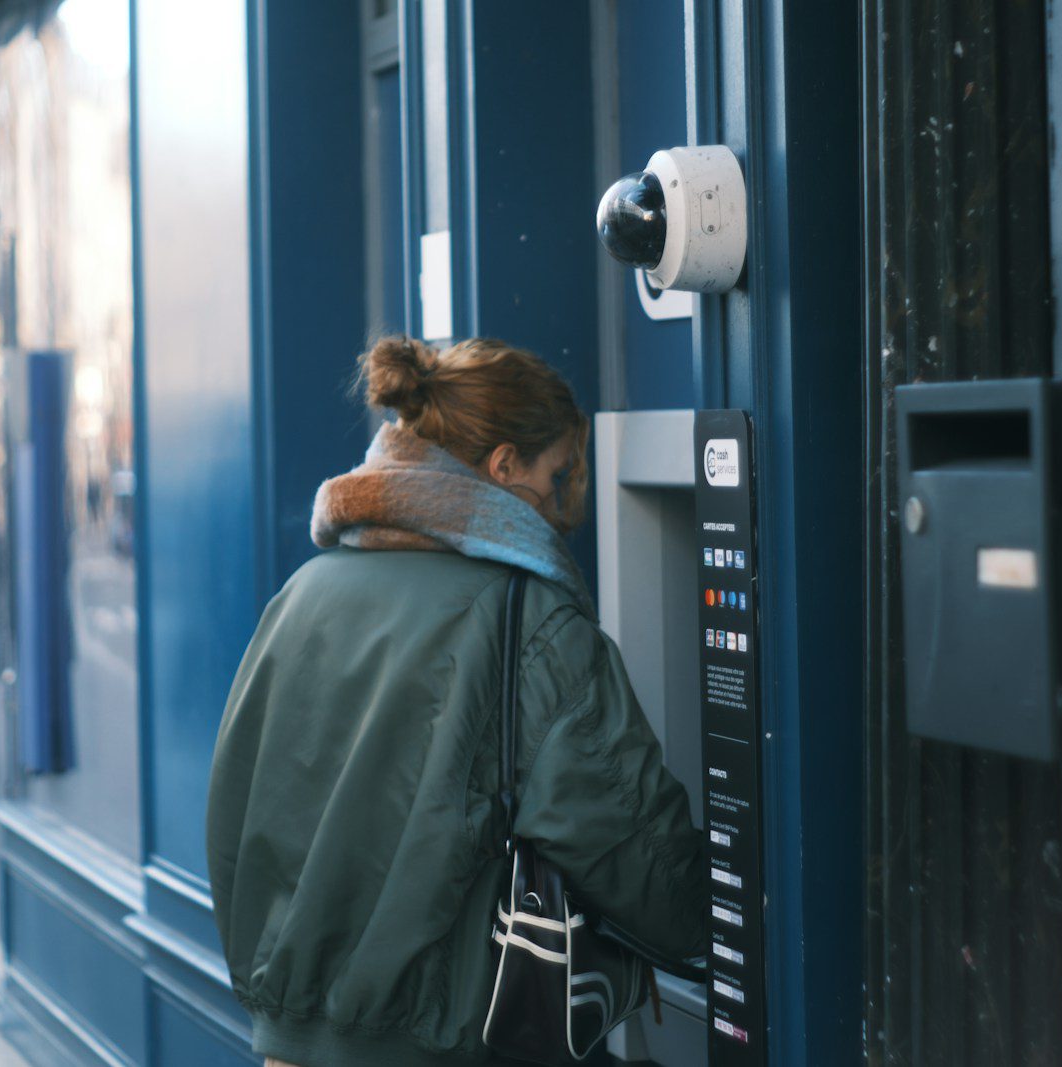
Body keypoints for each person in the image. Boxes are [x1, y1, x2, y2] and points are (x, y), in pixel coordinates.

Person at [207, 337, 705, 1067]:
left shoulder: (301, 596)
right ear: (503, 467)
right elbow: (638, 856)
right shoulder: (529, 622)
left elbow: (234, 822)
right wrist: (735, 929)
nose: (564, 509)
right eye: (557, 475)